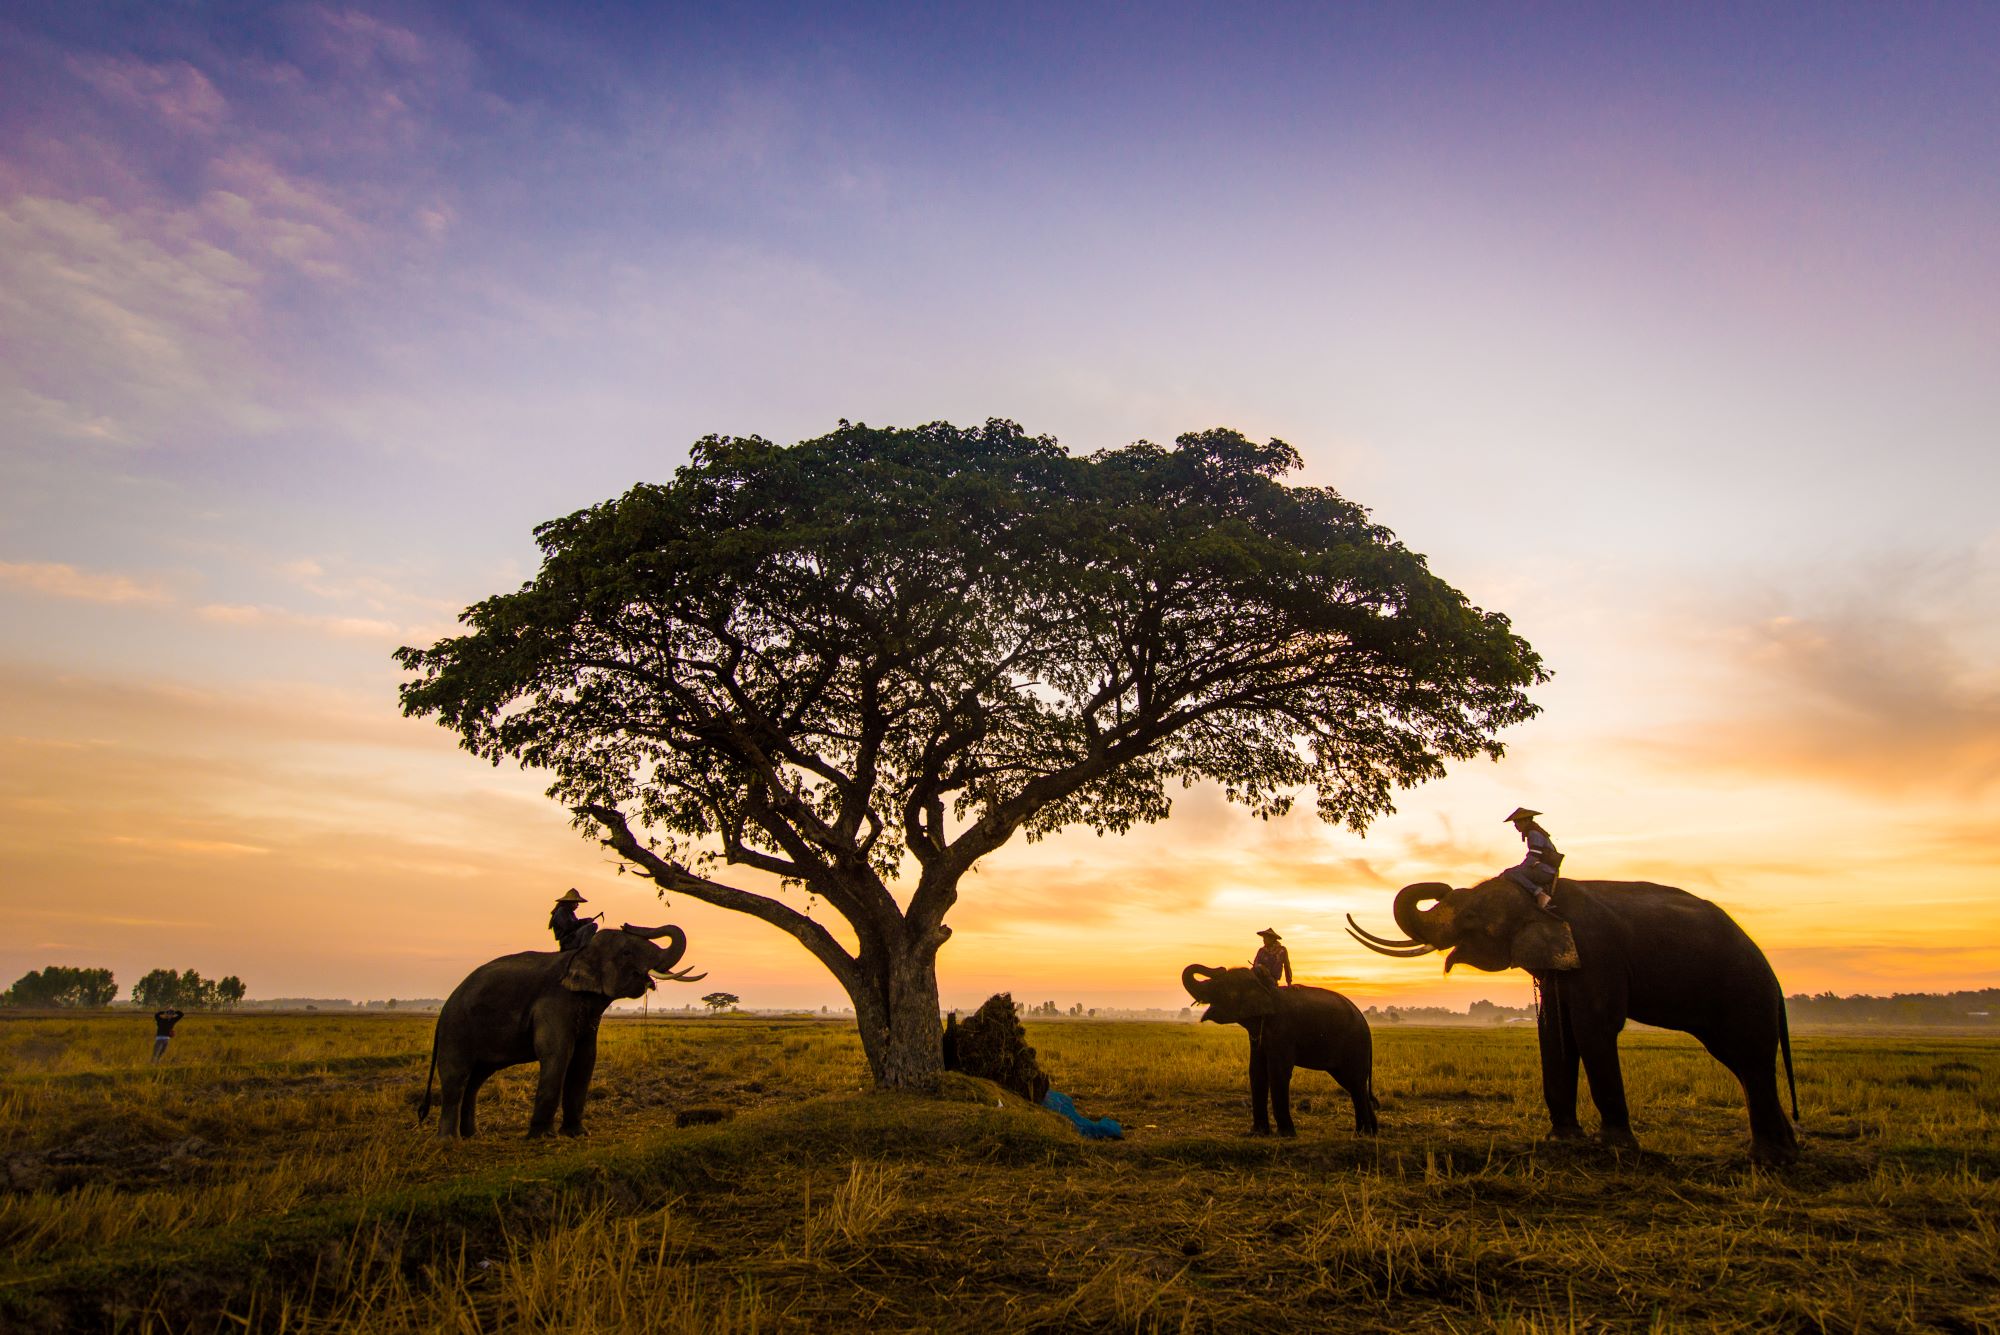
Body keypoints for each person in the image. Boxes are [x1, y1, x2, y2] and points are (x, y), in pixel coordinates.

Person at [1504, 807, 1564, 912]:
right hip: (1547, 869)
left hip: (1545, 871)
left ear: (1526, 821)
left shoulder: (1534, 834)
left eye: (1517, 822)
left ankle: (1539, 894)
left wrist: (1519, 868)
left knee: (1510, 873)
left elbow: (1533, 857)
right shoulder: (1536, 832)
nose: (1515, 825)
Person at [549, 888, 600, 952]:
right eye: (576, 902)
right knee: (592, 926)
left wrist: (585, 921)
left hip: (572, 938)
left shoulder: (569, 913)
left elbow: (575, 924)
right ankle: (583, 950)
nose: (578, 905)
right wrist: (585, 921)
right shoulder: (561, 911)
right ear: (570, 902)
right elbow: (569, 926)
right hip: (568, 941)